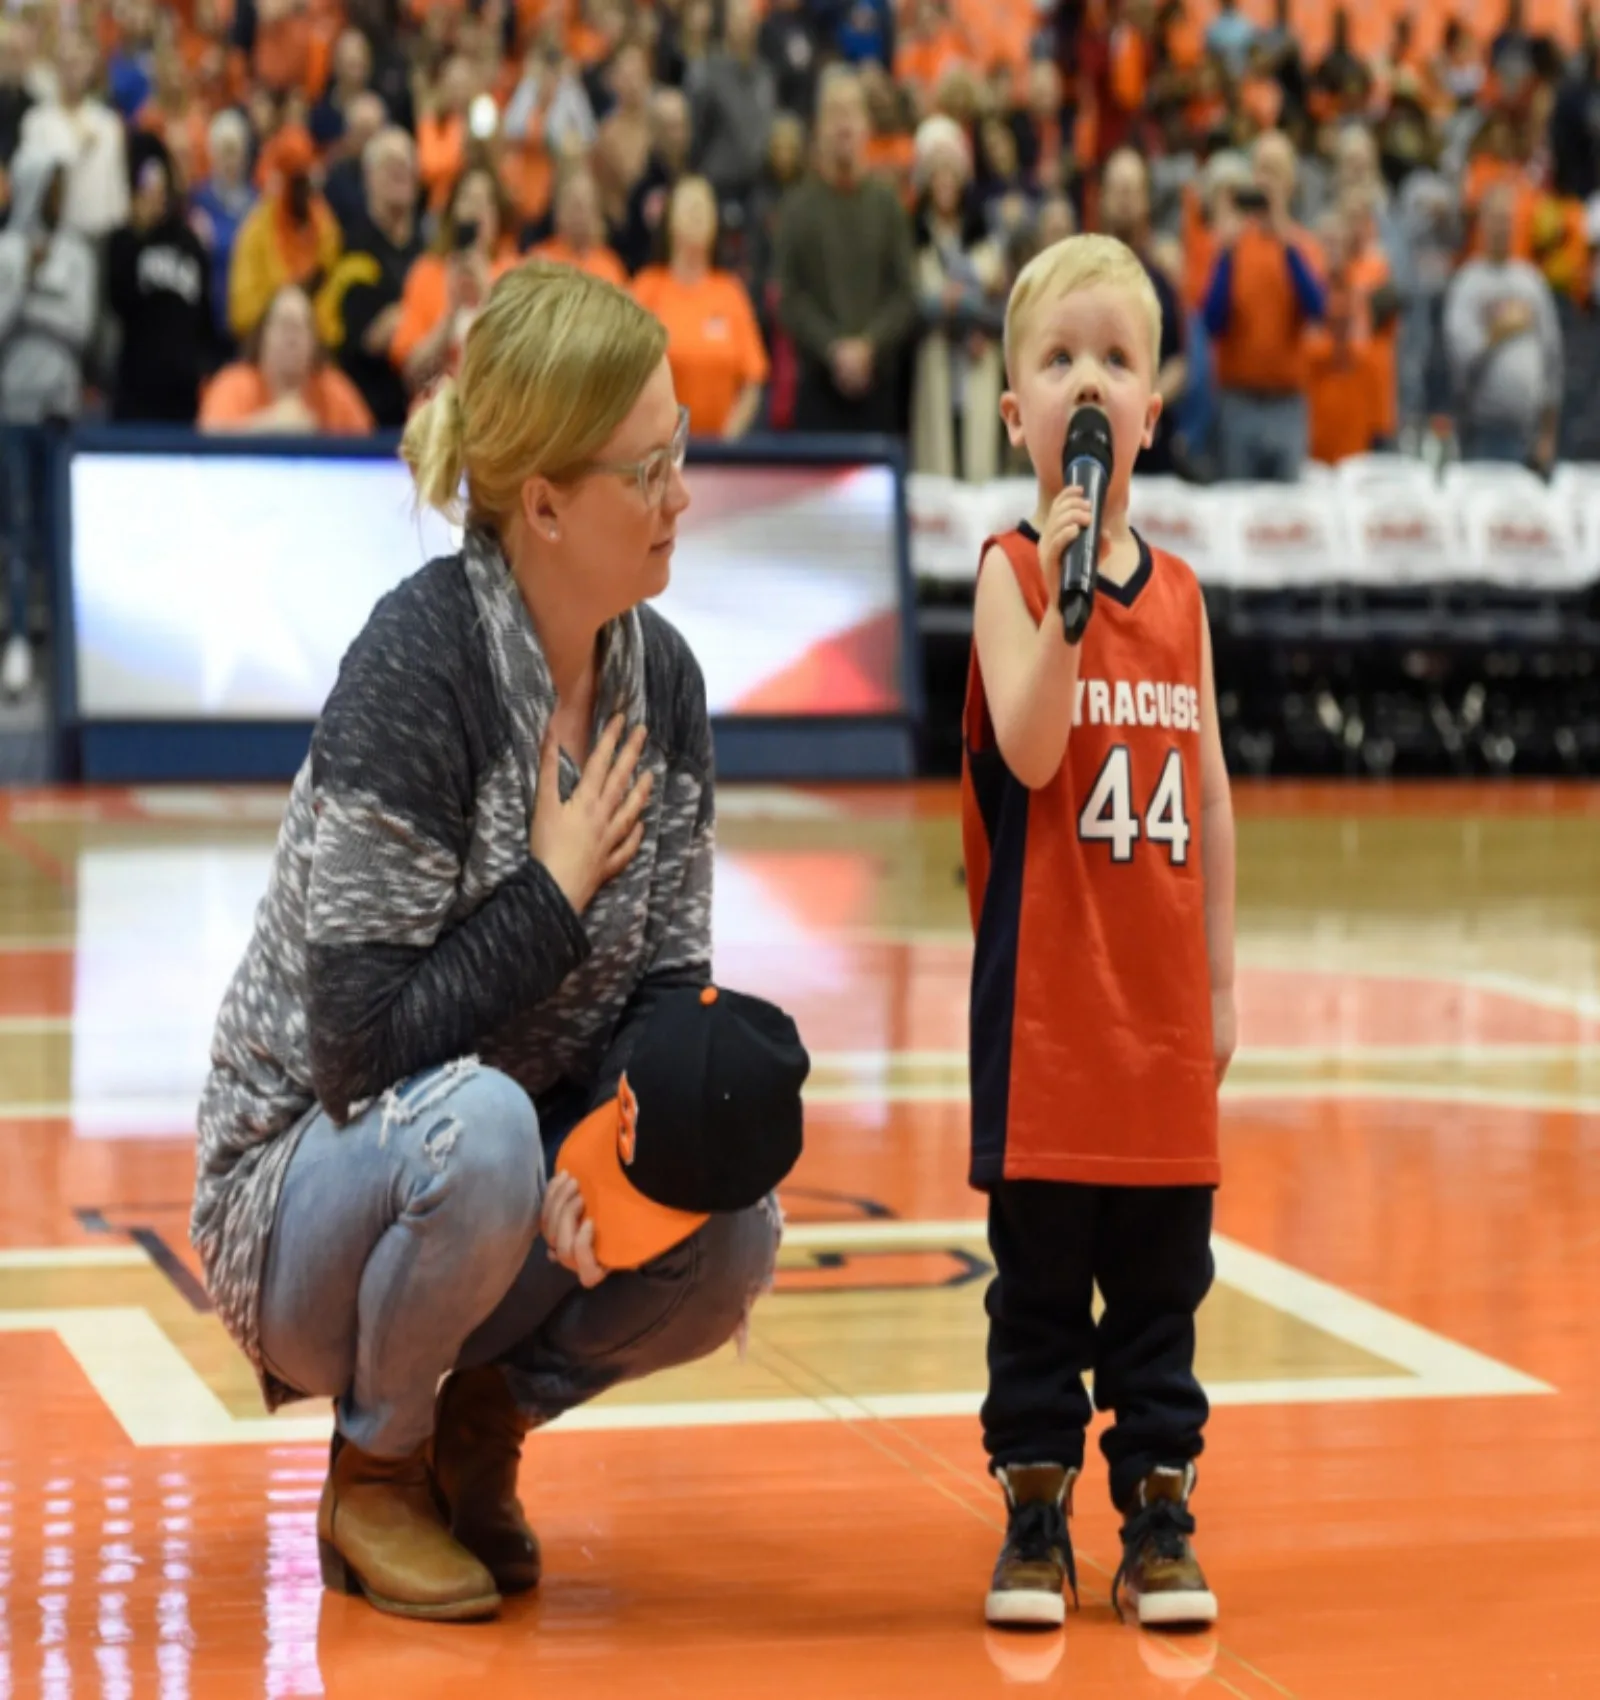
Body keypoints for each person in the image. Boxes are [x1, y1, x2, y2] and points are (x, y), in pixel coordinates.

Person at [190, 261, 786, 1624]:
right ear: (547, 502)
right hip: (303, 1186)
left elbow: (669, 990)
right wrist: (551, 895)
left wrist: (613, 1138)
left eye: (681, 458)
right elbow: (355, 1046)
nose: (682, 497)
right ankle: (377, 1468)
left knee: (733, 1217)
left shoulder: (666, 681)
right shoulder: (421, 666)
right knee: (484, 1136)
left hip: (511, 1158)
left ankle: (485, 1425)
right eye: (651, 471)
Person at [961, 233, 1236, 1632]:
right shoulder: (1012, 573)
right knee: (1041, 1290)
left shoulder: (1183, 598)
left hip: (1160, 1023)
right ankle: (1032, 1509)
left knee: (1160, 1287)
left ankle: (1161, 1510)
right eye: (1057, 359)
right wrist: (1066, 596)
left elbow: (1214, 791)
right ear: (1019, 414)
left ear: (1150, 408)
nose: (1087, 381)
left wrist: (1224, 985)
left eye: (1113, 360)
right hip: (1049, 1022)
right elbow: (1028, 743)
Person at [0, 147, 96, 700]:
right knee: (18, 528)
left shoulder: (78, 254)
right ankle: (16, 642)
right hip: (13, 406)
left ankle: (64, 655)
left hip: (61, 409)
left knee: (61, 532)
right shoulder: (10, 251)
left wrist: (33, 307)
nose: (58, 199)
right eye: (51, 187)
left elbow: (81, 327)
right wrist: (28, 284)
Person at [630, 176, 767, 438]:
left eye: (705, 206)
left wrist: (729, 439)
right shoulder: (646, 287)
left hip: (719, 451)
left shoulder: (730, 291)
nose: (698, 212)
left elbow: (753, 380)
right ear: (670, 220)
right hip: (658, 451)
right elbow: (624, 376)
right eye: (689, 205)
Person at [199, 282, 374, 434]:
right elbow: (209, 447)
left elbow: (369, 453)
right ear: (262, 337)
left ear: (314, 343)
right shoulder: (233, 384)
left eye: (300, 328)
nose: (291, 339)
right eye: (284, 326)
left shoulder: (334, 390)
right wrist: (273, 427)